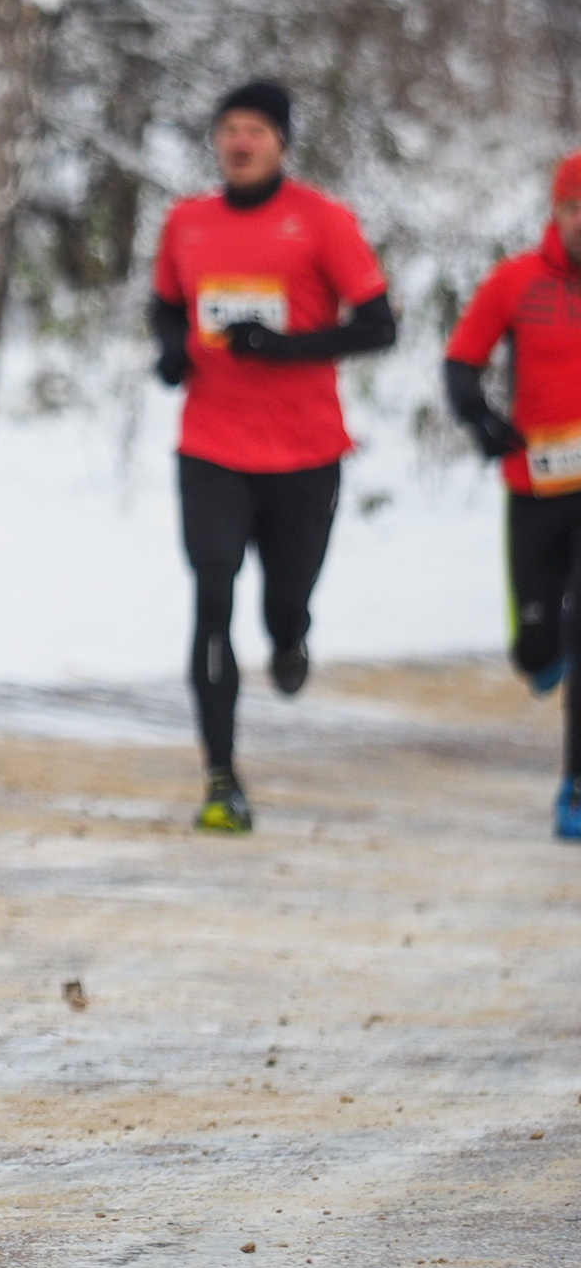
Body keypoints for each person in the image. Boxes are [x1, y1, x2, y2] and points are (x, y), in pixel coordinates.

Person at [148, 80, 395, 833]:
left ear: (282, 141)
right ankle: (221, 776)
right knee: (212, 592)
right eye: (228, 128)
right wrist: (170, 352)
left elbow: (379, 325)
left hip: (304, 451)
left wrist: (287, 348)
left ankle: (291, 636)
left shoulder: (322, 221)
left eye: (255, 128)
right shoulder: (187, 222)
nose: (240, 141)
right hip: (212, 446)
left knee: (282, 600)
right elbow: (166, 305)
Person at [443, 150, 581, 841]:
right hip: (537, 483)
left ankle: (574, 785)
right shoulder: (516, 281)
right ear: (557, 211)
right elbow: (462, 363)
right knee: (537, 644)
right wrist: (484, 420)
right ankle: (540, 650)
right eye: (576, 207)